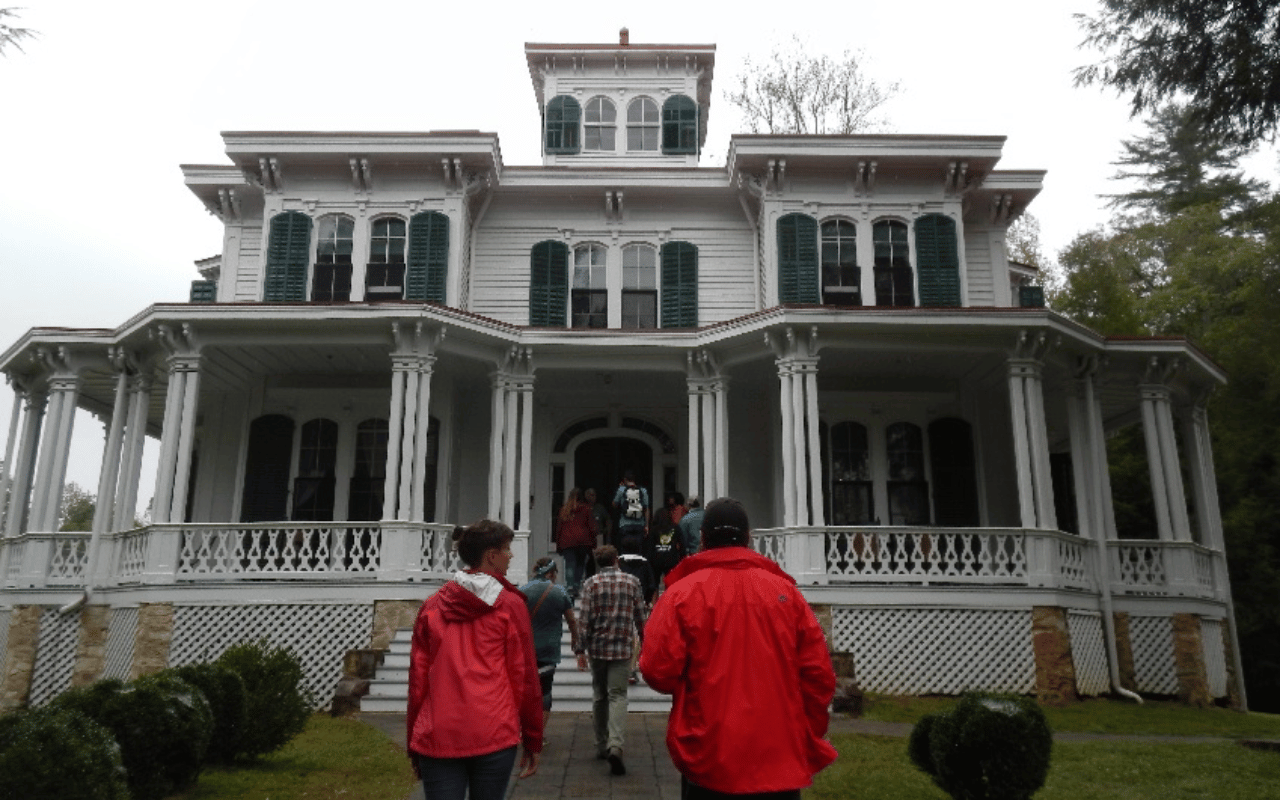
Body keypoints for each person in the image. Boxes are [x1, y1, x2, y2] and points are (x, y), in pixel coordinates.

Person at [639, 498, 837, 799]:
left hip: (710, 753)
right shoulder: (787, 594)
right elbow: (819, 676)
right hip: (778, 756)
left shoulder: (682, 594)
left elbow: (657, 671)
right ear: (749, 538)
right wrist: (803, 730)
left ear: (703, 539)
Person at [407, 520, 543, 800]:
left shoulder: (432, 606)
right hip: (493, 730)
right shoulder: (510, 605)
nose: (511, 555)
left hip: (439, 731)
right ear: (491, 556)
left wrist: (413, 739)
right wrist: (532, 736)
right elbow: (524, 675)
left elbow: (418, 681)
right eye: (507, 549)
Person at [574, 544, 646, 777]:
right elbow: (640, 616)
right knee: (618, 694)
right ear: (616, 559)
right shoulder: (632, 582)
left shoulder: (590, 584)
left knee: (600, 694)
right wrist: (644, 639)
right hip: (622, 648)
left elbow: (583, 620)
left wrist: (580, 650)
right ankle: (616, 744)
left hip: (597, 648)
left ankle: (600, 743)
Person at [519, 556, 579, 731]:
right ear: (551, 573)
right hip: (549, 649)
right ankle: (538, 732)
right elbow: (571, 620)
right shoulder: (559, 592)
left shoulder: (523, 591)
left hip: (526, 650)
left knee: (526, 691)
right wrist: (576, 641)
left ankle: (524, 729)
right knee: (545, 691)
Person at [554, 487, 597, 600]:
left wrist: (558, 544)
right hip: (583, 541)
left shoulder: (564, 510)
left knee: (569, 565)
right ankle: (576, 587)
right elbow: (592, 527)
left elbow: (558, 528)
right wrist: (593, 542)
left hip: (567, 541)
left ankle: (570, 587)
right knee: (580, 565)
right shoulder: (586, 509)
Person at [649, 492, 686, 586]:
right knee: (670, 583)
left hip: (656, 559)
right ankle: (670, 599)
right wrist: (682, 558)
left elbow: (649, 545)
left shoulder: (654, 529)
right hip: (671, 558)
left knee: (654, 584)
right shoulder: (675, 528)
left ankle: (655, 600)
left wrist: (649, 558)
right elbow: (682, 544)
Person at [611, 471, 650, 554]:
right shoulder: (643, 490)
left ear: (625, 479)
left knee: (625, 550)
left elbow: (614, 504)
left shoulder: (621, 489)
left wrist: (620, 488)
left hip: (625, 525)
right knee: (638, 550)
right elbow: (646, 509)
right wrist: (646, 525)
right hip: (639, 525)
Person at [584, 487, 611, 575]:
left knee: (598, 559)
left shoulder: (600, 508)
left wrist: (607, 535)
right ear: (586, 496)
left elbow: (608, 521)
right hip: (586, 537)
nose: (593, 497)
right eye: (591, 495)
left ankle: (599, 577)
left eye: (594, 495)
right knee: (586, 560)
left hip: (598, 536)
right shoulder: (583, 508)